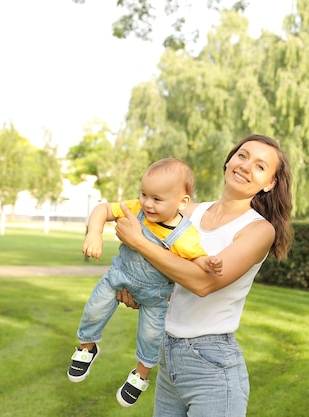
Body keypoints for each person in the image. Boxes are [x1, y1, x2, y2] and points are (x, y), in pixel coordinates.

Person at [114, 134, 293, 417]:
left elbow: (202, 283)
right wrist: (141, 291)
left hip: (212, 365)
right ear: (229, 161)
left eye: (260, 166)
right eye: (243, 156)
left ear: (269, 184)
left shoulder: (258, 230)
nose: (246, 166)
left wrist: (140, 242)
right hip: (168, 353)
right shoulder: (188, 213)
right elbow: (165, 274)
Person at [67, 158, 223, 408]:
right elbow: (103, 209)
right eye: (144, 194)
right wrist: (94, 232)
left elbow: (197, 258)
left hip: (155, 296)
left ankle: (140, 375)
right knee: (94, 310)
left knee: (151, 337)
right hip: (118, 277)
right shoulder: (135, 210)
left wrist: (209, 264)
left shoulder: (183, 234)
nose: (147, 204)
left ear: (182, 201)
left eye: (157, 199)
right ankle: (87, 347)